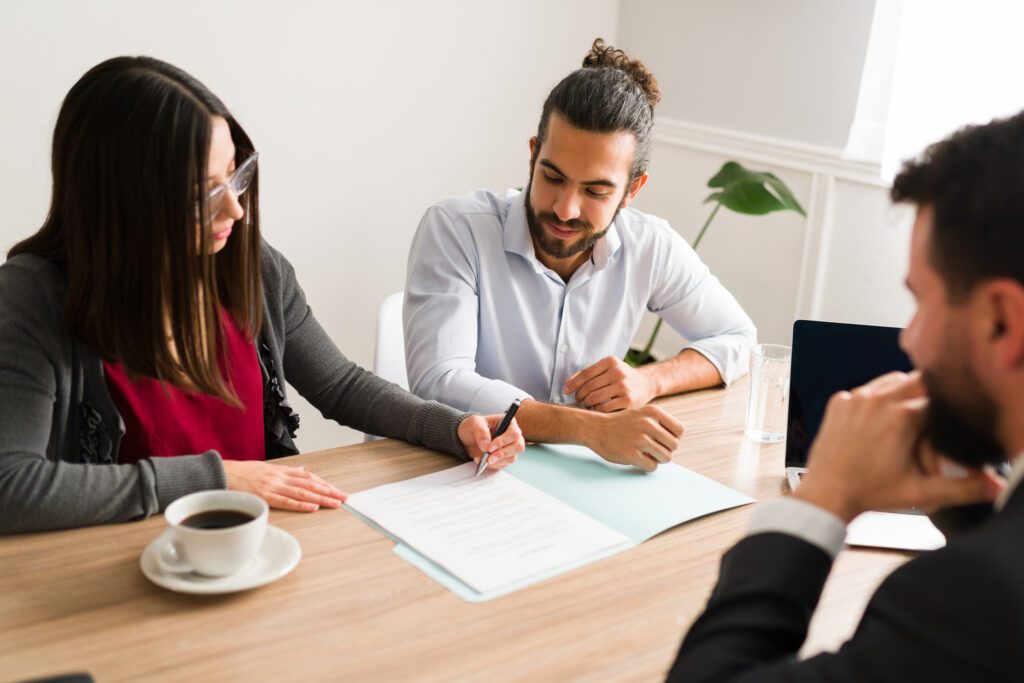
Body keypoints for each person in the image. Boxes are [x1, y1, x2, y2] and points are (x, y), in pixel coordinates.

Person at [0, 56, 524, 535]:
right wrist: (213, 478)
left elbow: (340, 385)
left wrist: (453, 427)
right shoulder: (32, 299)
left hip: (259, 544)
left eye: (236, 175)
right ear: (121, 203)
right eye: (203, 194)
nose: (236, 211)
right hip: (115, 568)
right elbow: (11, 487)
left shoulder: (249, 266)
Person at [667, 112, 1024, 681]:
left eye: (921, 303)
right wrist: (971, 515)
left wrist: (824, 496)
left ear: (1002, 321)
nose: (910, 339)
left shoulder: (970, 599)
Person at [403, 40, 756, 471]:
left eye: (595, 191)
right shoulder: (457, 229)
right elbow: (438, 384)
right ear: (534, 155)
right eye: (553, 176)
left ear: (632, 190)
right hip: (457, 470)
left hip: (575, 478)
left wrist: (649, 379)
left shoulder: (651, 245)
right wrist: (590, 429)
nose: (566, 209)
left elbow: (739, 339)